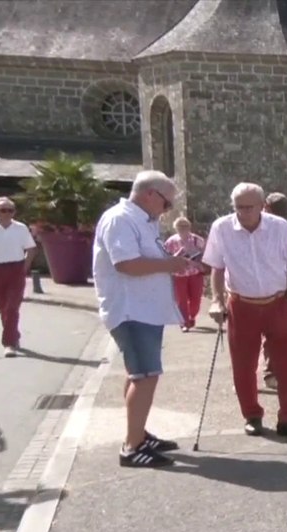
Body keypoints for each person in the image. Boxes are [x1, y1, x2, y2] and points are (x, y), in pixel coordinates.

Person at [93, 170, 196, 468]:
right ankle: (132, 446)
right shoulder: (121, 219)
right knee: (145, 375)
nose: (167, 211)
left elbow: (142, 260)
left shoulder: (140, 220)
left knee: (139, 374)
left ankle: (138, 433)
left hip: (143, 310)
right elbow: (125, 264)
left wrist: (170, 264)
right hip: (131, 310)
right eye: (166, 204)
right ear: (150, 194)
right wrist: (169, 264)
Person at [203, 183, 287, 440]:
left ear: (262, 206)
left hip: (277, 303)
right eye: (238, 207)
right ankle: (252, 416)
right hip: (242, 305)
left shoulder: (279, 227)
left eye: (248, 207)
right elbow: (216, 268)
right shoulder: (222, 228)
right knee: (243, 366)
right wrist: (217, 301)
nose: (242, 213)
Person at [258, 193, 287, 390]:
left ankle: (254, 376)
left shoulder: (274, 227)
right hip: (276, 289)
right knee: (273, 337)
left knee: (253, 339)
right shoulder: (285, 228)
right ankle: (270, 373)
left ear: (266, 206)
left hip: (266, 290)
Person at [0, 197, 37, 356]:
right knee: (2, 307)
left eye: (10, 210)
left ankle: (9, 343)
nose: (6, 214)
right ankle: (14, 334)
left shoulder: (21, 228)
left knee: (12, 307)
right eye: (2, 210)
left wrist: (24, 267)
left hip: (15, 269)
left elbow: (31, 249)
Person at [163, 216, 206, 332]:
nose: (183, 229)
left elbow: (205, 255)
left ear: (189, 227)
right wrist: (178, 254)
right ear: (176, 228)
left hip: (195, 274)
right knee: (181, 300)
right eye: (180, 227)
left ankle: (192, 316)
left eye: (185, 226)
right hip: (179, 275)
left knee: (196, 300)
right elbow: (166, 258)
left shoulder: (197, 240)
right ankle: (184, 322)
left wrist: (198, 260)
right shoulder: (171, 241)